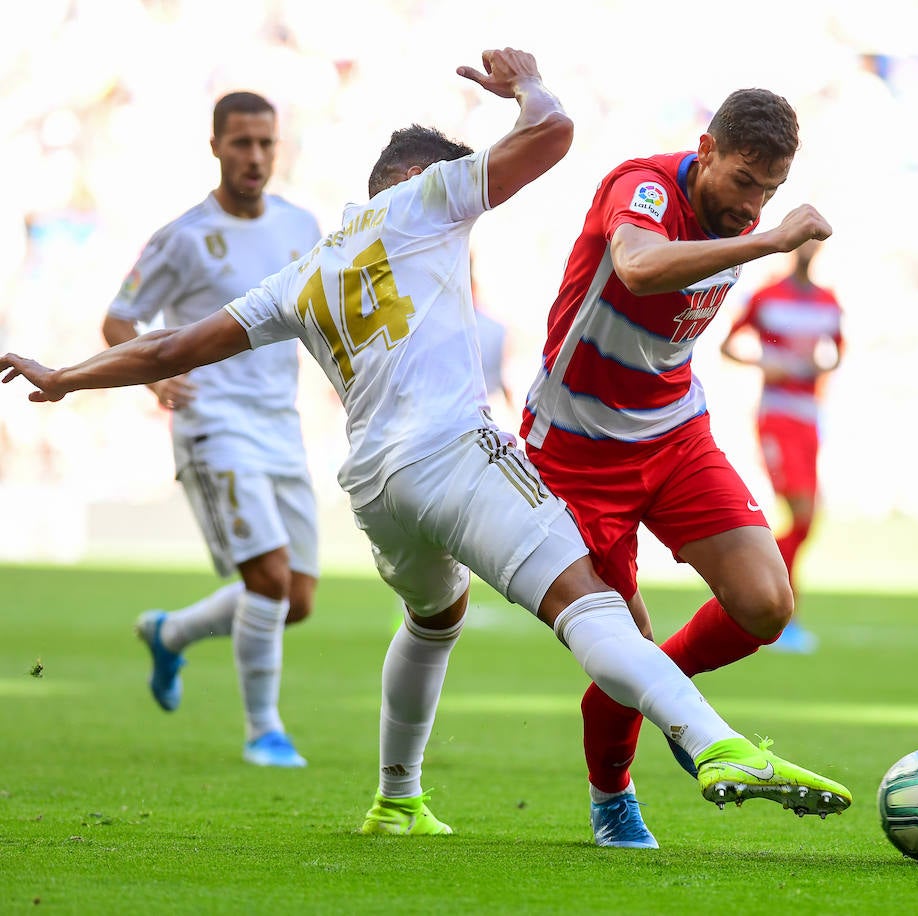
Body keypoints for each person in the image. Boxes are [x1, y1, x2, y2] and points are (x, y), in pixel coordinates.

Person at [1, 48, 851, 839]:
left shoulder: (301, 272)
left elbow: (168, 346)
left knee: (434, 617)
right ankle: (711, 744)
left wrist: (66, 376)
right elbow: (552, 136)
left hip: (374, 487)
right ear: (413, 178)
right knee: (591, 608)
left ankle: (397, 799)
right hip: (455, 454)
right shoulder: (424, 199)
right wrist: (526, 86)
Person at [521, 87, 833, 847]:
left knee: (767, 605)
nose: (753, 206)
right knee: (617, 647)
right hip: (578, 455)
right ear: (708, 150)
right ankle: (612, 798)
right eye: (743, 182)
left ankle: (662, 685)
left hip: (674, 434)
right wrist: (767, 243)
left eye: (771, 192)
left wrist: (758, 233)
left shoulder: (739, 215)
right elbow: (636, 267)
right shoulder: (645, 186)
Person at [102, 91, 322, 767]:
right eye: (241, 144)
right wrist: (155, 377)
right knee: (267, 580)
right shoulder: (184, 237)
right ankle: (264, 730)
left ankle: (171, 635)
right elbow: (119, 319)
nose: (254, 157)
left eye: (265, 144)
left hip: (280, 423)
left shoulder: (302, 225)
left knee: (298, 598)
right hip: (213, 420)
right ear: (216, 146)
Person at [719, 239, 844, 653]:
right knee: (802, 513)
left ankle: (758, 587)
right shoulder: (768, 296)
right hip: (776, 416)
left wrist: (821, 364)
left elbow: (837, 352)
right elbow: (728, 346)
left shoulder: (828, 301)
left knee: (807, 519)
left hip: (809, 417)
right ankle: (771, 611)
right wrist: (763, 363)